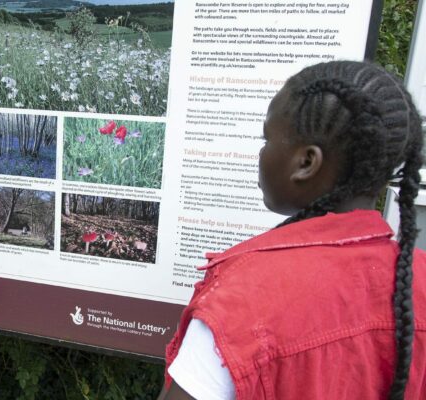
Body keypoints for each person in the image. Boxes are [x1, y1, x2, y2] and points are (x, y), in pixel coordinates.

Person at [159, 61, 426, 399]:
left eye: (267, 138)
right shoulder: (417, 280)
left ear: (306, 163)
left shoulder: (242, 299)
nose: (262, 151)